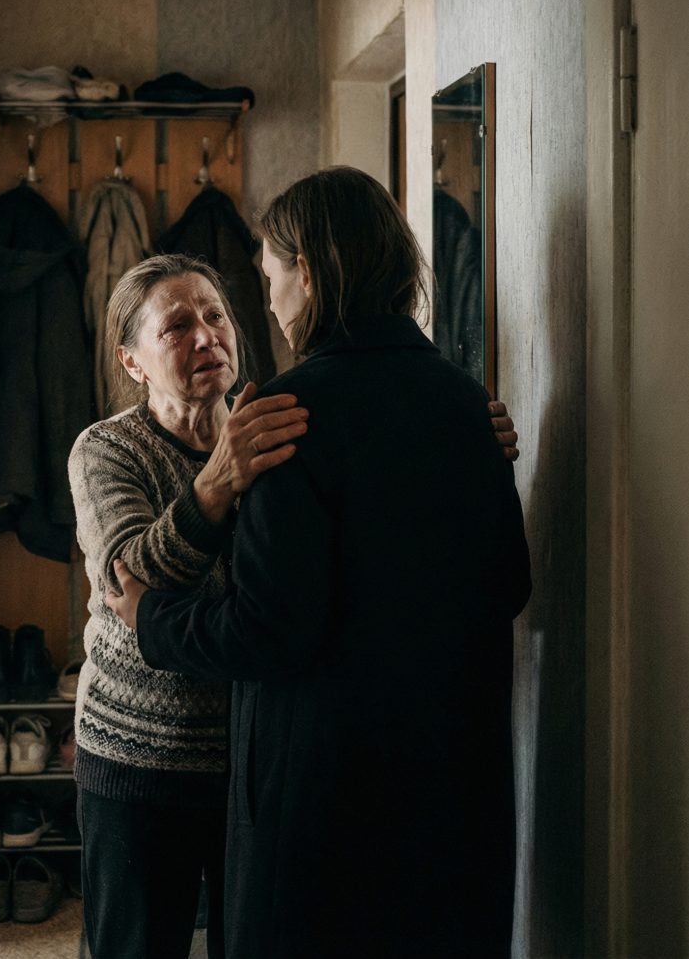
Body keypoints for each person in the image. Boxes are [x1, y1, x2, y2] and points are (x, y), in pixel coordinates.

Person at [107, 166, 532, 959]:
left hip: (328, 803)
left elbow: (268, 631)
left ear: (305, 272)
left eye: (267, 276)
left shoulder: (284, 417)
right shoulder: (465, 402)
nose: (266, 302)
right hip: (455, 784)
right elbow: (509, 583)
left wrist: (151, 617)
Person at [67, 253, 309, 959]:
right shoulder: (106, 449)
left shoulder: (273, 431)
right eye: (176, 326)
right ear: (132, 361)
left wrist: (473, 433)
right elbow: (132, 576)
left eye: (215, 315)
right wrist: (217, 482)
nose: (207, 335)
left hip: (251, 761)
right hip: (133, 761)